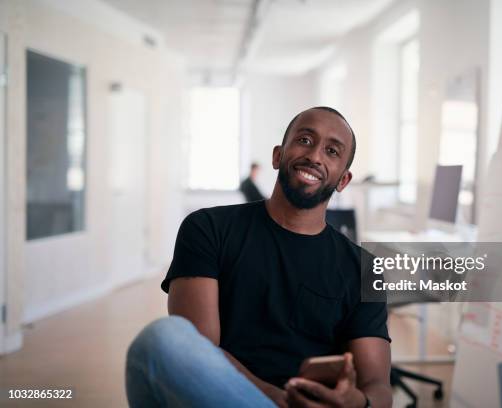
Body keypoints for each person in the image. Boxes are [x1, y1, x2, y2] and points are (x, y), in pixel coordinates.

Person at [125, 107, 392, 408]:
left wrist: (356, 402)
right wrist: (282, 400)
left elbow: (378, 386)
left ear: (343, 180)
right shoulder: (208, 228)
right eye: (304, 140)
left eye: (331, 151)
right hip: (222, 398)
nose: (315, 156)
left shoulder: (363, 268)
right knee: (161, 339)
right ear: (278, 156)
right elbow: (198, 349)